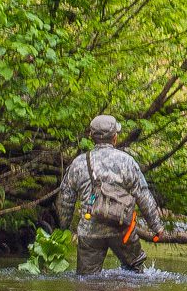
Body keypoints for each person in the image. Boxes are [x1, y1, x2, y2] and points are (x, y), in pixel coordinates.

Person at [56, 114, 163, 275]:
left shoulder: (78, 163)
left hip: (89, 232)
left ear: (91, 136)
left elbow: (65, 199)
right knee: (135, 275)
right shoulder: (127, 162)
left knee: (87, 282)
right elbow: (142, 194)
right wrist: (156, 226)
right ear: (115, 137)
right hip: (122, 229)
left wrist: (64, 228)